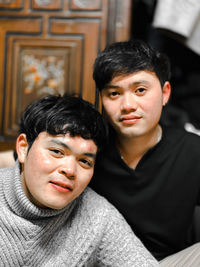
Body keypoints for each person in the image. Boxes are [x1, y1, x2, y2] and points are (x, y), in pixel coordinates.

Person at [0, 94, 158, 266]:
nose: (69, 170)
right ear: (23, 148)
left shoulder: (96, 216)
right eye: (57, 151)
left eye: (84, 161)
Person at [89, 39, 200, 266]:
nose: (128, 105)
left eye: (140, 90)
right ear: (101, 98)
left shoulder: (193, 150)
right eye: (114, 94)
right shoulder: (88, 148)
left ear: (165, 92)